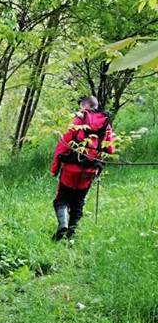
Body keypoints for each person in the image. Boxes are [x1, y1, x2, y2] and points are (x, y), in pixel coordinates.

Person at [50, 95, 114, 241]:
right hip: (89, 171)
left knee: (61, 200)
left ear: (84, 106)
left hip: (70, 169)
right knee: (78, 203)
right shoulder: (106, 124)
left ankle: (63, 224)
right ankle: (70, 238)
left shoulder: (77, 120)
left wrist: (54, 169)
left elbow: (62, 145)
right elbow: (109, 149)